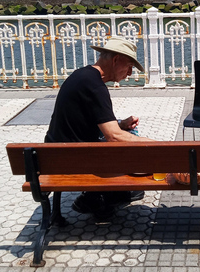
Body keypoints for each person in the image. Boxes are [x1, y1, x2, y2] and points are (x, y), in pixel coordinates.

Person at [45, 36, 154, 218]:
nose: (129, 74)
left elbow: (84, 124)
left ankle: (105, 195)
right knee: (141, 157)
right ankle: (97, 197)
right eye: (129, 67)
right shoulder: (95, 86)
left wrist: (120, 125)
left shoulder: (82, 76)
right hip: (75, 161)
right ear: (116, 60)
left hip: (56, 156)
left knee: (129, 134)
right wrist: (156, 145)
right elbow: (114, 137)